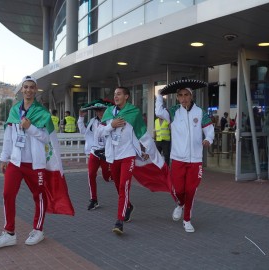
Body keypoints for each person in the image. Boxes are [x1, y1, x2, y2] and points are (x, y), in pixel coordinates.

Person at [0, 75, 74, 249]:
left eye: (31, 87)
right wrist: (4, 158)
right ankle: (9, 233)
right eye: (25, 87)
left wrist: (30, 127)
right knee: (7, 194)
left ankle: (38, 230)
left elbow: (45, 138)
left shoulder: (42, 113)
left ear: (36, 90)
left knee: (39, 196)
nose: (28, 90)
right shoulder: (14, 111)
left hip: (35, 164)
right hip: (16, 162)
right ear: (22, 90)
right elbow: (8, 138)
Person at [155, 80, 214, 233]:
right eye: (180, 95)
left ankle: (187, 219)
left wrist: (208, 139)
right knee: (179, 190)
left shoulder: (200, 112)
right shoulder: (174, 112)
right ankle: (180, 204)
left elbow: (209, 129)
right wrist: (160, 96)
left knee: (191, 190)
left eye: (186, 95)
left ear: (191, 95)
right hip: (178, 159)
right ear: (177, 97)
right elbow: (159, 112)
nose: (183, 98)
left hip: (195, 160)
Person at [96, 87, 150, 234]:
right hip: (113, 156)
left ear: (126, 96)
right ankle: (129, 206)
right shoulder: (109, 112)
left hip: (128, 155)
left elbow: (141, 132)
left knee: (123, 187)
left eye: (119, 94)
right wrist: (111, 126)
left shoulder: (134, 112)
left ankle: (119, 222)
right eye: (114, 94)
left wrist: (146, 149)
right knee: (118, 186)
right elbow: (99, 133)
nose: (116, 96)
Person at [78, 99, 113, 210]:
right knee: (91, 174)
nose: (99, 112)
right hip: (95, 152)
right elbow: (83, 131)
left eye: (102, 110)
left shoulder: (110, 121)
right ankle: (94, 199)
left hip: (106, 153)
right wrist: (81, 117)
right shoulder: (93, 121)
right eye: (97, 110)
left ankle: (117, 175)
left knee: (107, 177)